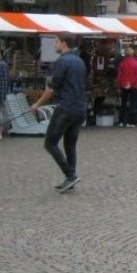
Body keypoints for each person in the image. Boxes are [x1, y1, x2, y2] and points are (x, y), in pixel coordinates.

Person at [31, 34, 87, 192]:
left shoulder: (62, 61)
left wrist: (37, 104)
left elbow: (52, 88)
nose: (54, 45)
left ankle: (70, 175)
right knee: (70, 144)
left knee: (50, 143)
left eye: (56, 42)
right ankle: (71, 177)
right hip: (79, 107)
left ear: (64, 44)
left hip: (66, 107)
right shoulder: (79, 61)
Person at [115, 46, 137, 127]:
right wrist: (132, 83)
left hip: (123, 84)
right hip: (134, 85)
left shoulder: (122, 64)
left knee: (123, 103)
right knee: (133, 103)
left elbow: (119, 76)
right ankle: (132, 121)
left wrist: (118, 86)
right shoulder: (136, 63)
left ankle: (122, 121)